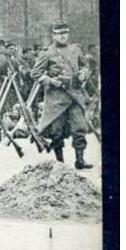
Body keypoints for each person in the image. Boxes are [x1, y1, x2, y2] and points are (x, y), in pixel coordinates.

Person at [30, 23, 93, 169]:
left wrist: (84, 73)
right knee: (57, 132)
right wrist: (52, 81)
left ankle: (80, 160)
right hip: (56, 99)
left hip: (75, 96)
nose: (63, 36)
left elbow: (84, 66)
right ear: (53, 35)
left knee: (79, 128)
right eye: (59, 34)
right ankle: (60, 162)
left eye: (65, 33)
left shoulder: (76, 50)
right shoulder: (47, 53)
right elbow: (35, 73)